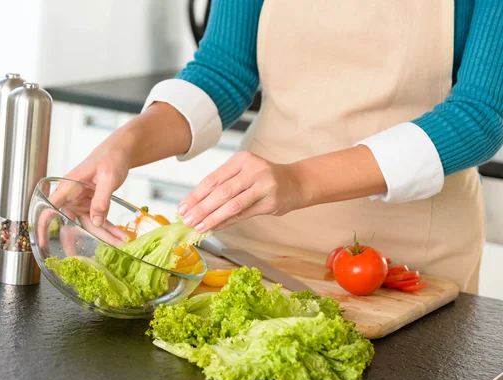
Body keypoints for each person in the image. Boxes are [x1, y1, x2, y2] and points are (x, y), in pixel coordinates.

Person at [63, 0, 503, 294]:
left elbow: (481, 114)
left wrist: (297, 180)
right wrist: (124, 145)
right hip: (258, 239)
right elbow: (224, 70)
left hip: (409, 260)